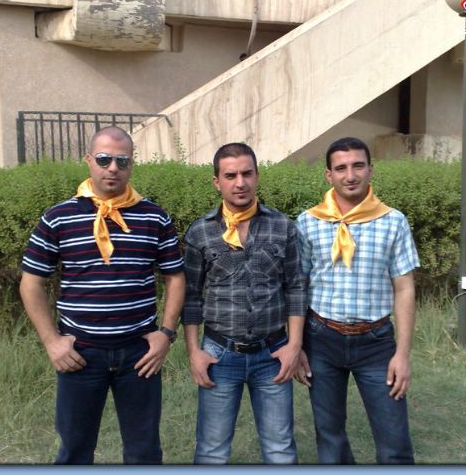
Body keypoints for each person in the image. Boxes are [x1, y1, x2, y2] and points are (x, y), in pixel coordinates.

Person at [19, 126, 185, 464]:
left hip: (139, 355)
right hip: (80, 354)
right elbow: (31, 281)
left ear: (131, 164)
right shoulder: (58, 218)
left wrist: (166, 334)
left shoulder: (154, 217)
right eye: (104, 159)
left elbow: (175, 276)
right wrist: (51, 341)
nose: (112, 168)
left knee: (144, 452)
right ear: (89, 160)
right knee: (74, 451)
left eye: (121, 161)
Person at [294, 137, 420, 464]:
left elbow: (404, 288)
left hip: (376, 344)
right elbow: (298, 286)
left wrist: (402, 354)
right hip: (321, 340)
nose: (350, 175)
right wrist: (297, 345)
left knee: (394, 442)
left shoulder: (393, 221)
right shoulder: (308, 222)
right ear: (329, 175)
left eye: (358, 166)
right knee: (330, 438)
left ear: (370, 170)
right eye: (341, 168)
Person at [182, 142, 305, 464]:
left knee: (280, 449)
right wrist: (194, 351)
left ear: (257, 176)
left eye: (247, 173)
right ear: (216, 182)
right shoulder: (200, 232)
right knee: (211, 450)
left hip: (273, 354)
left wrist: (294, 346)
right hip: (219, 355)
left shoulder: (282, 226)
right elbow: (190, 296)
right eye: (230, 175)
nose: (240, 183)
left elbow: (295, 288)